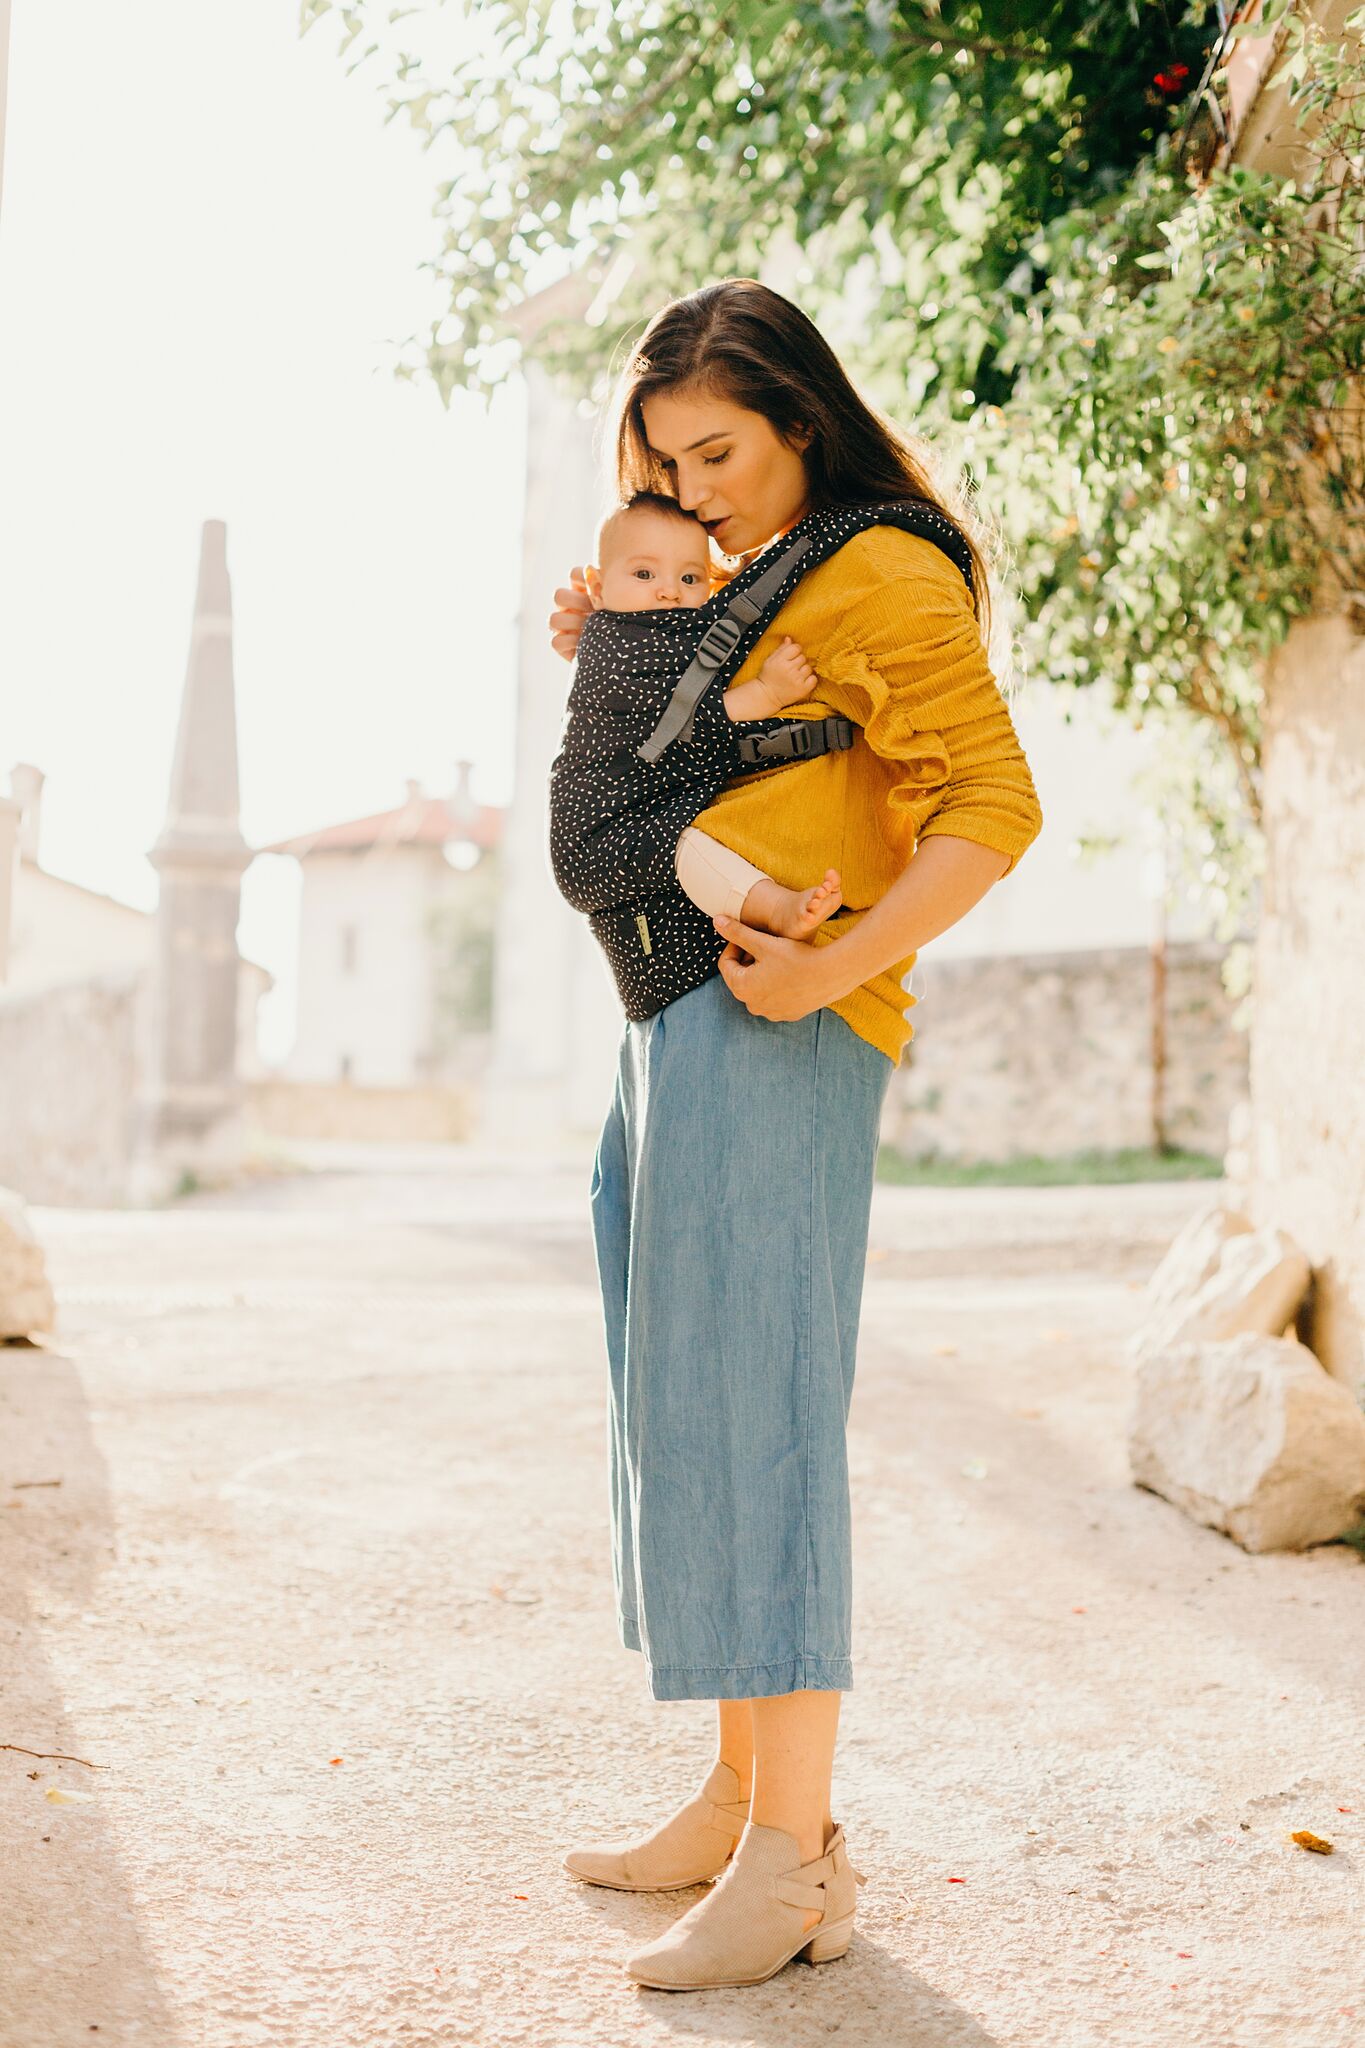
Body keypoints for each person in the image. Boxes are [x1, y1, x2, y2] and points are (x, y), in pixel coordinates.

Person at [545, 277, 1044, 1992]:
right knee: (682, 1393)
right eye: (663, 467)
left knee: (755, 1404)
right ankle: (741, 1785)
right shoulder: (755, 572)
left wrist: (831, 957)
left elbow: (994, 803)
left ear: (801, 423)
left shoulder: (879, 565)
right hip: (676, 1011)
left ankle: (796, 1861)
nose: (694, 492)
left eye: (718, 453)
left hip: (783, 1012)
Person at [582, 488, 845, 941]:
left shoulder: (670, 633)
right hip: (600, 834)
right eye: (644, 573)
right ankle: (774, 907)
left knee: (694, 844)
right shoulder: (613, 649)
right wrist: (767, 691)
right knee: (691, 849)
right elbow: (683, 719)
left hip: (639, 811)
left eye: (690, 578)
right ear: (597, 585)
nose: (668, 591)